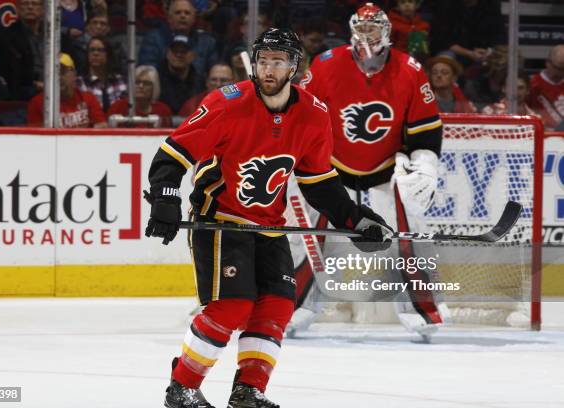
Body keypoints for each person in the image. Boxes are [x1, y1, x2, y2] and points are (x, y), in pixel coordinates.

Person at [145, 28, 392, 408]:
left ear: (294, 67)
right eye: (263, 60)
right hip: (221, 220)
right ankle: (182, 388)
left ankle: (248, 391)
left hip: (268, 226)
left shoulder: (313, 114)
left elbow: (318, 180)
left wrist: (354, 219)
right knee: (233, 306)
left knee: (278, 304)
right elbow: (173, 152)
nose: (268, 68)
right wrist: (164, 199)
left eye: (278, 61)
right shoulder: (227, 103)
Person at [293, 2, 446, 337]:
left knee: (408, 236)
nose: (367, 35)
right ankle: (296, 305)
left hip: (386, 167)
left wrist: (425, 164)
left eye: (373, 29)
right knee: (311, 237)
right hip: (332, 166)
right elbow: (299, 114)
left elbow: (425, 128)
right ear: (351, 31)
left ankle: (422, 307)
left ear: (386, 32)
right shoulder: (325, 65)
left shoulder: (409, 69)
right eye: (362, 29)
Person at [138, 0, 218, 77]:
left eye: (187, 13)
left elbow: (215, 73)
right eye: (178, 12)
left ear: (194, 18)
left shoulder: (207, 43)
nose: (183, 16)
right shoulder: (153, 39)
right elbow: (147, 72)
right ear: (169, 18)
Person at [26, 53, 107, 128]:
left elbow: (102, 126)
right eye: (54, 73)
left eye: (63, 71)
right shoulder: (37, 103)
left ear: (74, 74)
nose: (59, 77)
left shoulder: (88, 99)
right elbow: (37, 138)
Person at [107, 65, 173, 127]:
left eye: (146, 83)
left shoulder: (163, 111)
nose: (141, 86)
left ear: (154, 87)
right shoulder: (117, 107)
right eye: (137, 82)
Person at [77, 36, 127, 112]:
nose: (95, 53)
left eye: (100, 50)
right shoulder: (79, 83)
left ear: (108, 54)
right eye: (92, 50)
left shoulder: (121, 81)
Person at [158, 34, 205, 114]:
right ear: (167, 54)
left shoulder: (200, 80)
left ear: (192, 56)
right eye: (175, 51)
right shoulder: (158, 78)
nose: (179, 55)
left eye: (183, 52)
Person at [527, 44, 564, 130]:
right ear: (547, 63)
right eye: (557, 68)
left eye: (563, 69)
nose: (560, 72)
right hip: (542, 132)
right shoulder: (532, 84)